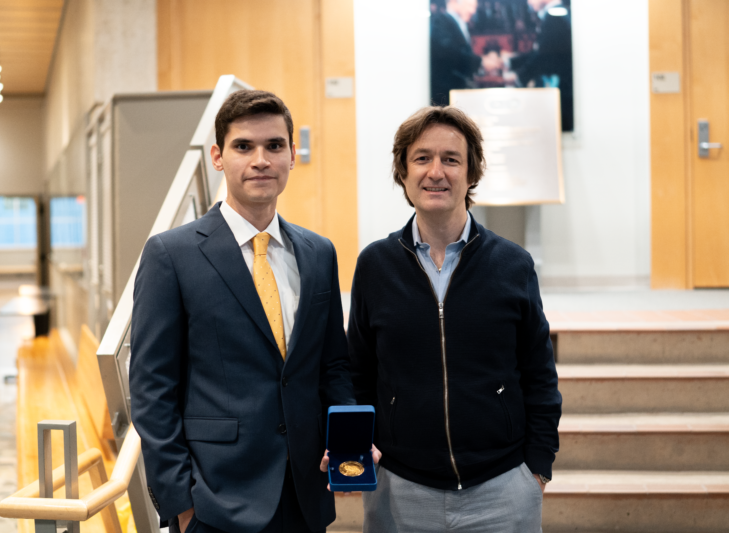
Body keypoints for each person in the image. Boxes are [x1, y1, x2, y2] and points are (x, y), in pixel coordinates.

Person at [129, 90, 368, 533]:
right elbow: (151, 390)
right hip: (215, 499)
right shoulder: (171, 254)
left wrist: (348, 442)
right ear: (219, 157)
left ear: (293, 156)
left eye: (274, 146)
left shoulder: (318, 253)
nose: (261, 159)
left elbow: (332, 365)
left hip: (305, 494)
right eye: (244, 146)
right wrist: (181, 504)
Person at [348, 106, 561, 532]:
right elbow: (358, 372)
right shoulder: (376, 265)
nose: (436, 172)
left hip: (501, 487)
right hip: (401, 490)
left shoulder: (512, 264)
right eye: (422, 158)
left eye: (451, 159)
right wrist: (355, 450)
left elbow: (539, 373)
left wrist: (537, 466)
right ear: (403, 173)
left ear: (472, 172)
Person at [509, 0, 573, 130]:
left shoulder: (554, 16)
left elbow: (544, 57)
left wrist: (520, 77)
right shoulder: (556, 14)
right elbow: (540, 52)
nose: (529, 2)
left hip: (563, 92)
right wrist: (510, 62)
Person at [430, 0, 502, 106]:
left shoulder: (459, 23)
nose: (473, 11)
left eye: (474, 7)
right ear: (454, 2)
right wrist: (481, 62)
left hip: (456, 93)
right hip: (444, 96)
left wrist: (483, 60)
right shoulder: (440, 21)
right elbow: (451, 53)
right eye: (469, 5)